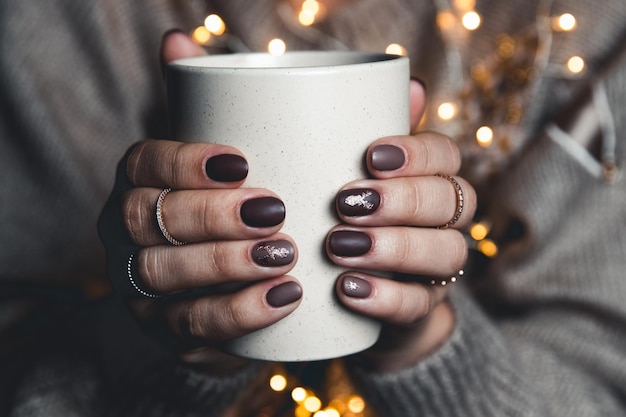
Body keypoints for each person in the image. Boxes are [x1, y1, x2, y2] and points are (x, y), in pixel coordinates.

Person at [1, 1, 625, 416]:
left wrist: (425, 341)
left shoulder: (595, 26)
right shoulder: (74, 21)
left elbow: (606, 382)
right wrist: (159, 346)